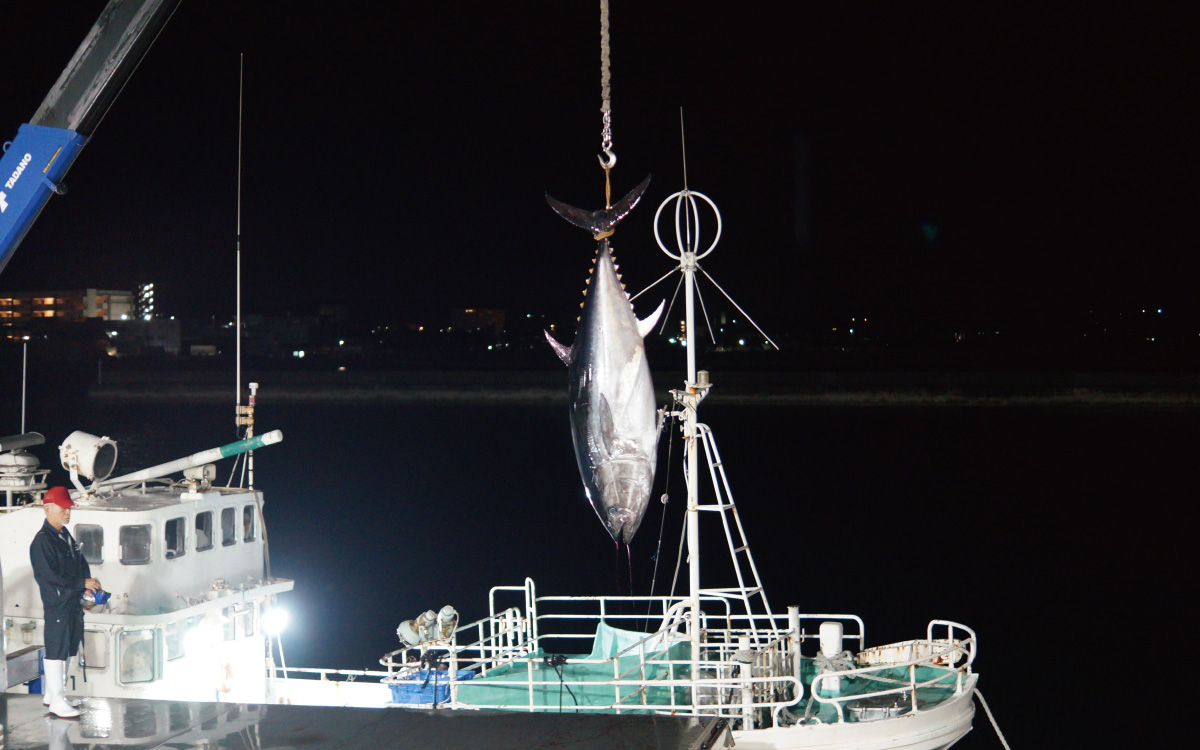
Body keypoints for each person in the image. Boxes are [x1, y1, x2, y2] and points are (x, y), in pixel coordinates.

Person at [29, 486, 101, 718]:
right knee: (56, 649)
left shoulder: (64, 535)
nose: (68, 512)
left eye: (69, 508)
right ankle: (57, 701)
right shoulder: (42, 542)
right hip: (58, 604)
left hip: (71, 602)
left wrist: (86, 585)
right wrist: (82, 583)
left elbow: (80, 563)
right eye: (63, 508)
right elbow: (50, 577)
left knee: (69, 647)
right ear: (47, 509)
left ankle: (54, 695)